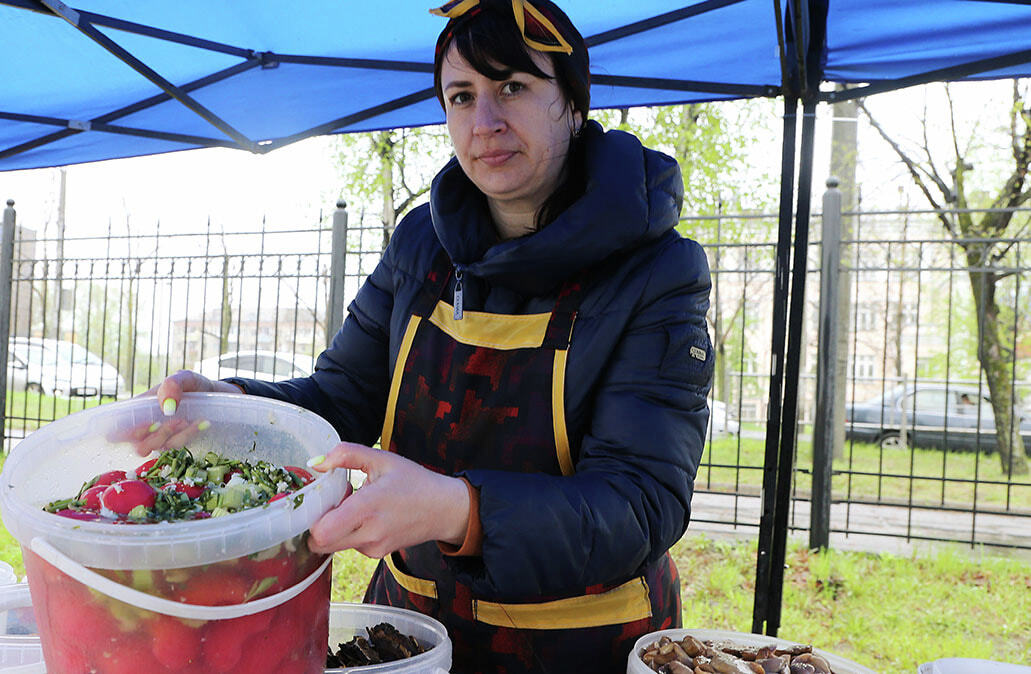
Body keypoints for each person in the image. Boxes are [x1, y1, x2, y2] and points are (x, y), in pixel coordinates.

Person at [151, 1, 713, 670]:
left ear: (570, 101)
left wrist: (458, 508)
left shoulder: (655, 268)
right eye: (461, 95)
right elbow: (341, 398)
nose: (485, 121)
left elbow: (640, 504)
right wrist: (229, 408)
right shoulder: (421, 243)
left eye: (513, 87)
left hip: (577, 641)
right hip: (410, 632)